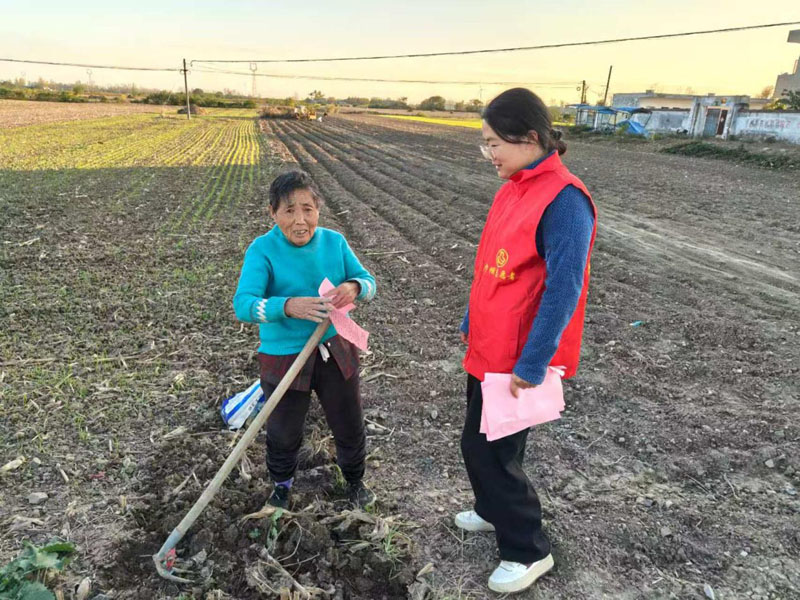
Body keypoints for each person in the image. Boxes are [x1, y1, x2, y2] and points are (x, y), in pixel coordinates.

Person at [456, 88, 597, 594]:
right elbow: (492, 264)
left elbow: (565, 288)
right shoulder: (513, 186)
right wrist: (471, 321)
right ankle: (492, 510)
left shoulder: (564, 201)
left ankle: (528, 549)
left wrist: (534, 361)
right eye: (485, 144)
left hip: (517, 356)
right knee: (484, 444)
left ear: (529, 137)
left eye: (495, 143)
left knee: (490, 451)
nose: (489, 154)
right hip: (488, 346)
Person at [233, 169, 377, 509]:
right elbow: (244, 305)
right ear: (273, 213)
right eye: (289, 210)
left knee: (348, 421)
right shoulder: (262, 250)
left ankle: (355, 481)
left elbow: (368, 281)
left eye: (308, 209)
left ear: (318, 210)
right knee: (283, 430)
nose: (301, 220)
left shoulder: (334, 242)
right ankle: (282, 487)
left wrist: (353, 287)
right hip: (284, 355)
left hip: (335, 349)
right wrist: (288, 306)